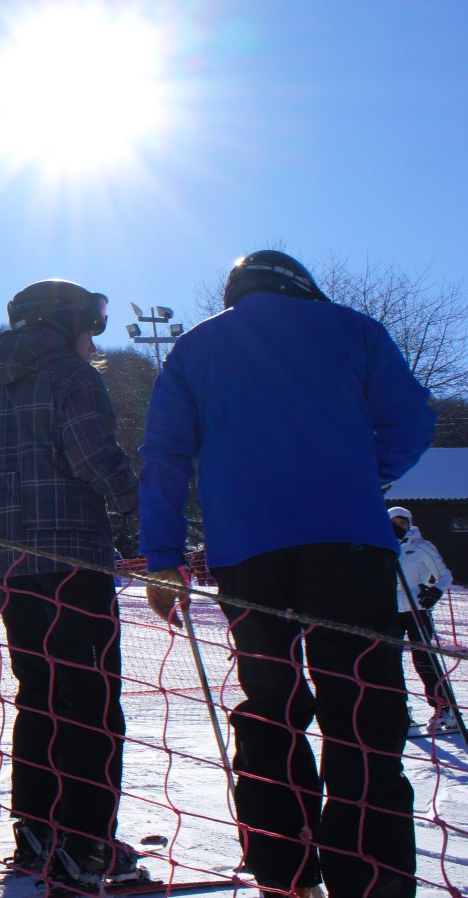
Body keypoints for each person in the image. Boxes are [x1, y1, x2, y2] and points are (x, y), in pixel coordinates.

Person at [141, 250, 435, 898]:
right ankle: (372, 883)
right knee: (363, 708)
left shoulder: (195, 347)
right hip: (348, 543)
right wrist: (367, 471)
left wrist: (161, 559)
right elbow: (413, 420)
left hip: (247, 551)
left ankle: (285, 874)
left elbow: (164, 454)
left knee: (270, 704)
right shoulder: (352, 328)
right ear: (303, 287)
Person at [0, 278, 145, 890]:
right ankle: (86, 845)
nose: (92, 339)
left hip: (10, 570)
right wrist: (142, 501)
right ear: (67, 320)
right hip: (73, 563)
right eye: (91, 324)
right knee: (91, 701)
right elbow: (95, 462)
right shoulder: (72, 379)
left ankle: (38, 833)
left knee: (41, 694)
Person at [390, 506, 456, 735]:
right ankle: (399, 710)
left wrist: (434, 592)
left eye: (403, 522)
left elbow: (445, 575)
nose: (400, 526)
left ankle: (444, 708)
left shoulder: (421, 547)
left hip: (416, 608)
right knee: (389, 661)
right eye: (394, 522)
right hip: (390, 610)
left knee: (423, 659)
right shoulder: (383, 548)